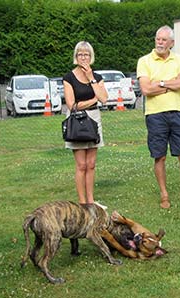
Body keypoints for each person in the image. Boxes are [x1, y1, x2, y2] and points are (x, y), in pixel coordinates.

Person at [137, 25, 180, 209]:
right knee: (160, 156)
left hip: (176, 113)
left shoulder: (179, 59)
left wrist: (159, 83)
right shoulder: (144, 61)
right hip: (155, 115)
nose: (159, 42)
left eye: (164, 40)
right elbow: (146, 89)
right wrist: (171, 85)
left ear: (171, 43)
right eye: (158, 39)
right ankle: (164, 195)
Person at [62, 41, 108, 204]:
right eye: (80, 54)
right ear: (76, 56)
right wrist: (93, 99)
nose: (83, 57)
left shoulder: (97, 77)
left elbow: (104, 98)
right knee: (81, 165)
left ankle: (91, 201)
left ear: (91, 56)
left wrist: (91, 79)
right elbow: (72, 105)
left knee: (91, 164)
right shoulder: (69, 78)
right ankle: (82, 203)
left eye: (86, 54)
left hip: (94, 120)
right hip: (77, 122)